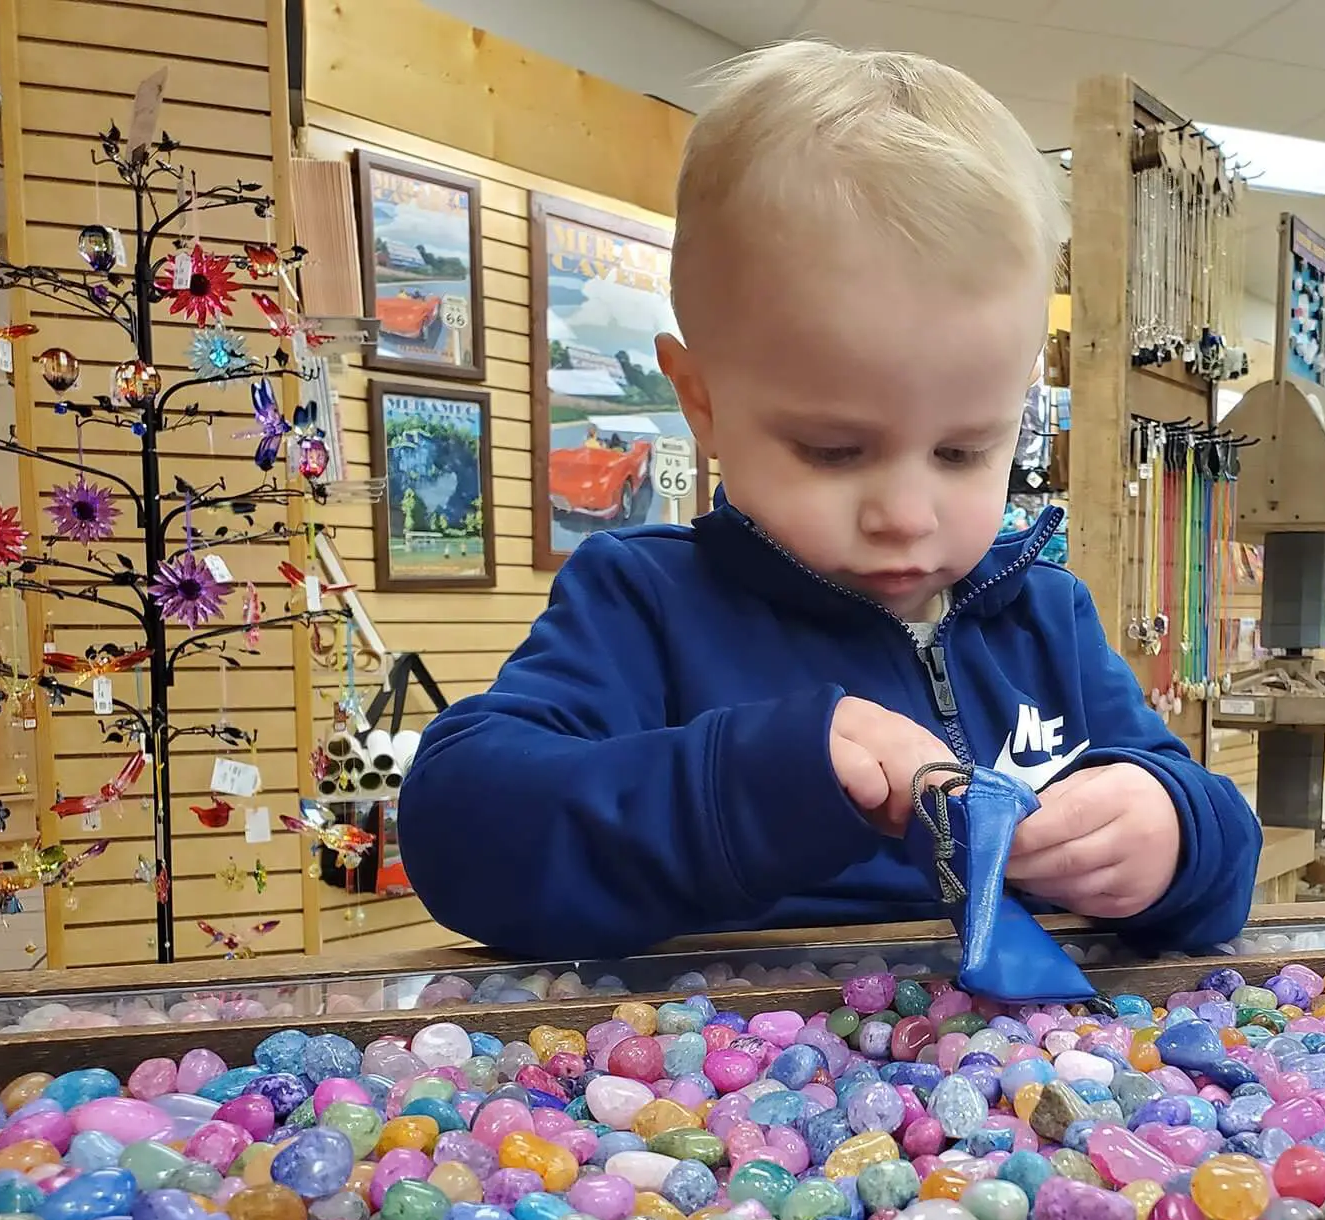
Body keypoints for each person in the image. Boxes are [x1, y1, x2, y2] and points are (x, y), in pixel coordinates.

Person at [398, 40, 1261, 960]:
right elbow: (461, 827)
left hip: (1034, 1081)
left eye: (965, 450)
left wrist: (1174, 836)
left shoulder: (1047, 617)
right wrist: (744, 781)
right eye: (834, 450)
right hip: (727, 1078)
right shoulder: (642, 602)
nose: (906, 513)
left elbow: (1219, 856)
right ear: (703, 403)